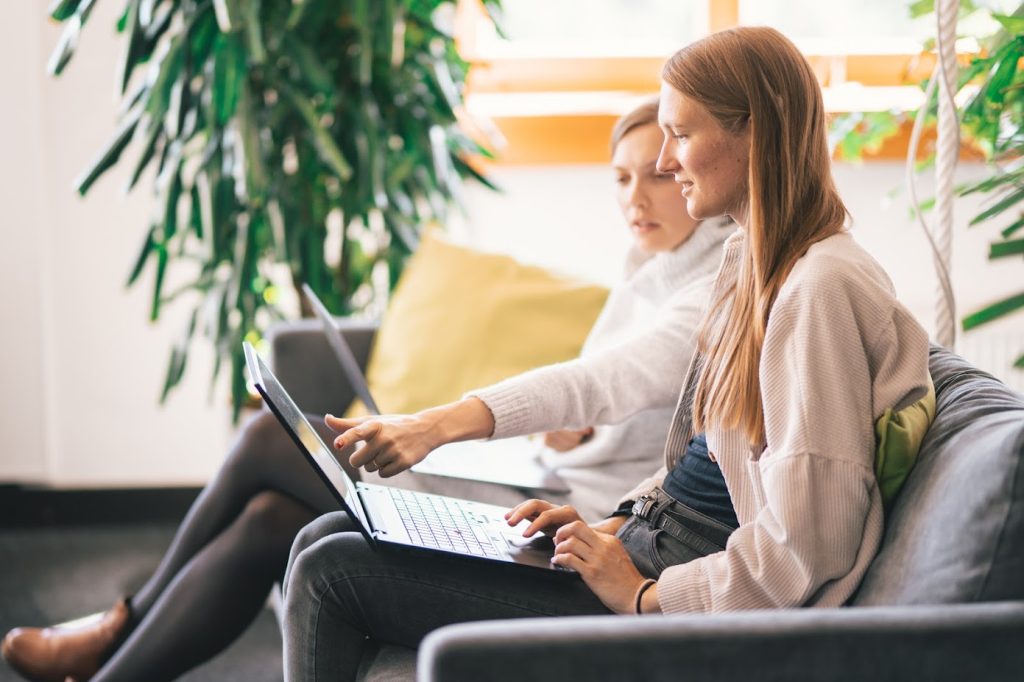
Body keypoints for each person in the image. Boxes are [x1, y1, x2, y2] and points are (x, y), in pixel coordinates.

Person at [281, 26, 930, 681]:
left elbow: (806, 548)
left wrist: (643, 596)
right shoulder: (754, 264)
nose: (669, 166)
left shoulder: (819, 289)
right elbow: (704, 473)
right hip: (643, 546)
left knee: (330, 569)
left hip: (667, 587)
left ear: (754, 134)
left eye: (680, 135)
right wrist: (609, 527)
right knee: (327, 534)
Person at [0, 99, 732, 682]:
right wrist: (566, 435)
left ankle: (118, 632)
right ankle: (115, 654)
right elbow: (625, 409)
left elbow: (605, 381)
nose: (638, 195)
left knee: (265, 439)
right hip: (540, 480)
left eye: (660, 174)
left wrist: (442, 424)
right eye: (622, 177)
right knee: (266, 518)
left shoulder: (715, 282)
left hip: (551, 516)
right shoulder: (651, 263)